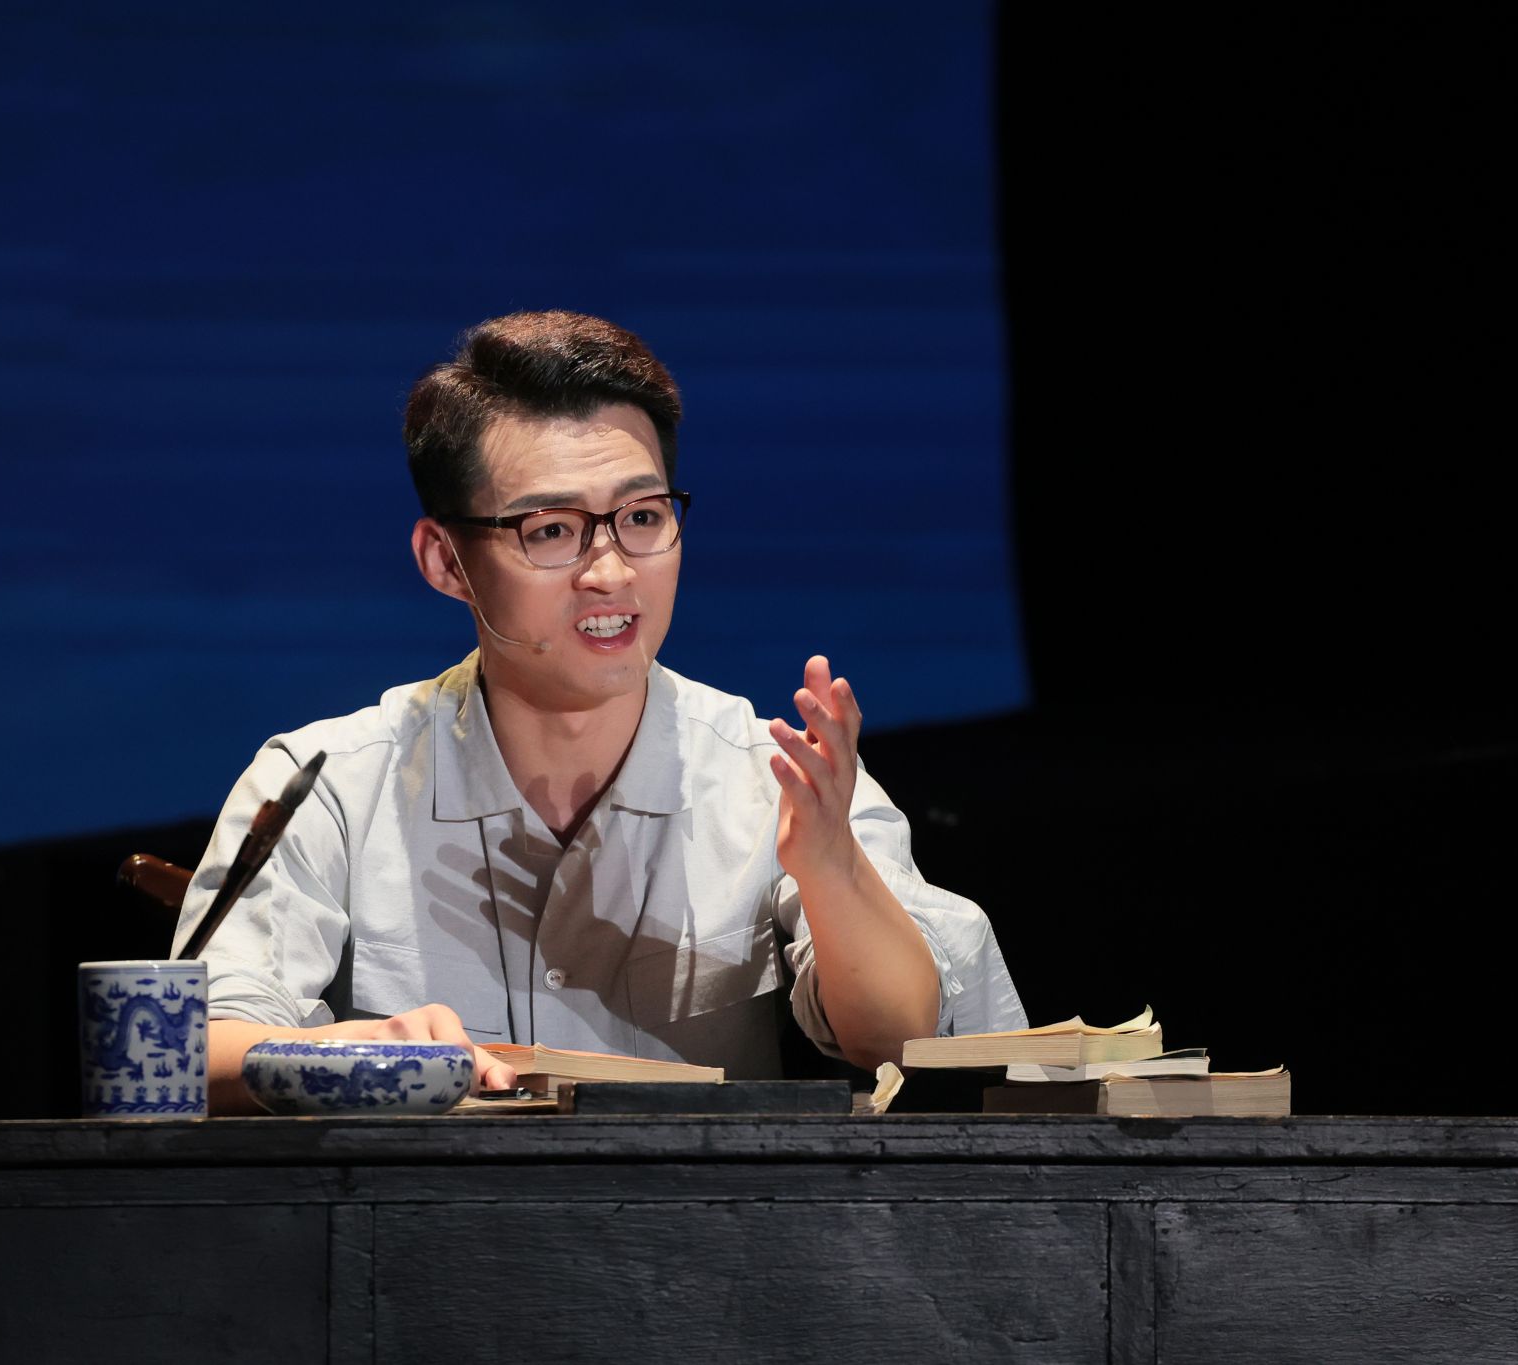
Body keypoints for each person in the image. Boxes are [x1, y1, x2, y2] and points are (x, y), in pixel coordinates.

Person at [172, 310, 1025, 1113]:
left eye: (642, 517)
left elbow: (901, 1036)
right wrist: (351, 1052)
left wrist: (831, 870)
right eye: (551, 530)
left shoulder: (772, 774)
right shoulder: (326, 786)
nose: (611, 572)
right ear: (445, 561)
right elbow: (188, 1049)